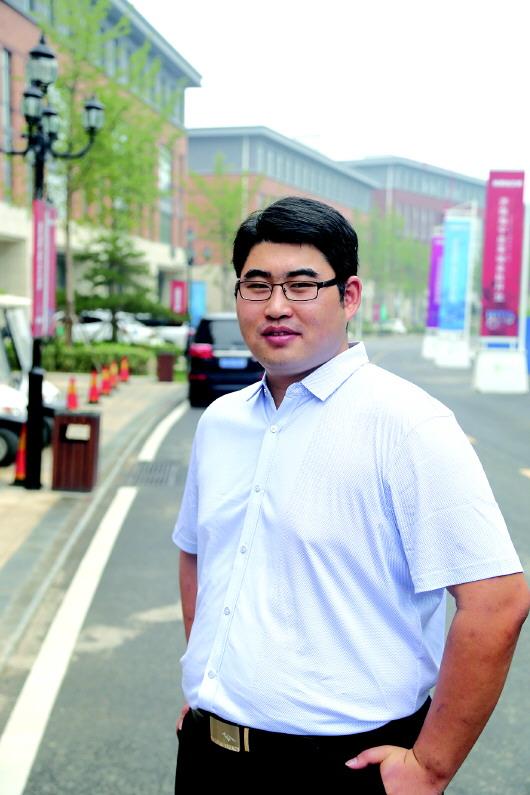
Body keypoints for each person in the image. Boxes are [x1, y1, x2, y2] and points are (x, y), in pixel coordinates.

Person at [172, 196, 529, 793]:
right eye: (256, 285)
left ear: (350, 296)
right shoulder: (221, 422)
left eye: (302, 285)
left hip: (339, 768)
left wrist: (430, 766)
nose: (276, 306)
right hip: (210, 756)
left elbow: (498, 602)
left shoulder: (407, 424)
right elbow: (197, 554)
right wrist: (214, 681)